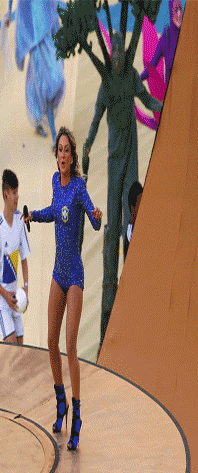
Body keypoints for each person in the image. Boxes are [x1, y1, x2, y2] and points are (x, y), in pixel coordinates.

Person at [22, 127, 102, 450]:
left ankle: (78, 414)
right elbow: (53, 213)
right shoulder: (56, 182)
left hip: (75, 276)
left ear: (73, 156)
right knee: (50, 342)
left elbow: (94, 221)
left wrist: (97, 216)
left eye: (67, 150)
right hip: (58, 273)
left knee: (70, 344)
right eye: (60, 150)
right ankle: (61, 403)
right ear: (56, 155)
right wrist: (32, 216)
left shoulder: (79, 187)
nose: (63, 154)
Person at [82, 31, 162, 347]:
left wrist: (163, 105)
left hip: (131, 160)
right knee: (112, 225)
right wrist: (87, 145)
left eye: (119, 52)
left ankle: (134, 282)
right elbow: (94, 121)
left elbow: (146, 99)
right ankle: (109, 298)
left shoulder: (130, 77)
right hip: (114, 161)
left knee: (132, 218)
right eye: (113, 52)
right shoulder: (106, 86)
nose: (116, 57)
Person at [5, 0, 65, 144]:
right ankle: (54, 134)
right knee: (46, 86)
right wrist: (8, 11)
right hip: (36, 40)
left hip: (49, 31)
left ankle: (38, 118)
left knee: (53, 80)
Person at [0, 169, 30, 344]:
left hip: (15, 299)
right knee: (11, 349)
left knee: (21, 349)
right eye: (13, 193)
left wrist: (26, 288)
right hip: (2, 301)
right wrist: (5, 295)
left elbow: (24, 258)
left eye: (17, 192)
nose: (17, 197)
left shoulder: (19, 221)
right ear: (5, 195)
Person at [141, 0, 183, 87]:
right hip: (172, 92)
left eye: (180, 9)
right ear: (171, 12)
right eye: (176, 10)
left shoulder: (189, 34)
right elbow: (151, 67)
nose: (179, 14)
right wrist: (136, 79)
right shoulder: (166, 37)